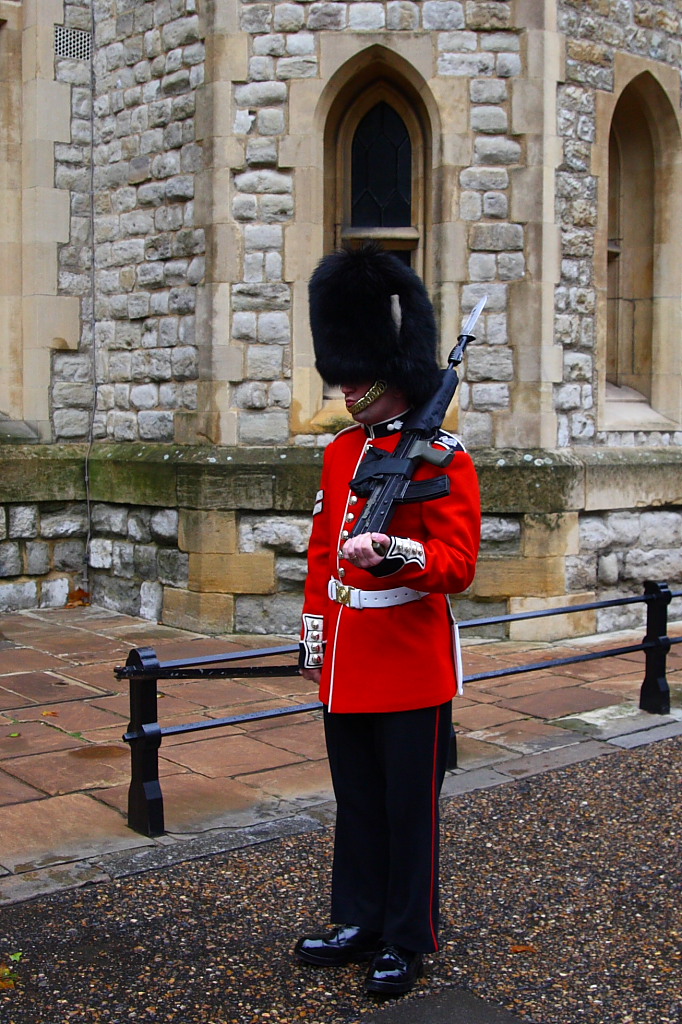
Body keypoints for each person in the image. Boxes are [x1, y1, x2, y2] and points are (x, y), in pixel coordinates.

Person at [294, 244, 481, 996]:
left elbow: (457, 566)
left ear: (393, 372)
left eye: (356, 377)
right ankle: (358, 919)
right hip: (346, 657)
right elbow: (318, 549)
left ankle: (407, 935)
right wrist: (314, 631)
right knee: (358, 802)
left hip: (408, 661)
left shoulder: (443, 457)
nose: (345, 390)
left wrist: (397, 550)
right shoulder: (343, 452)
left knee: (411, 811)